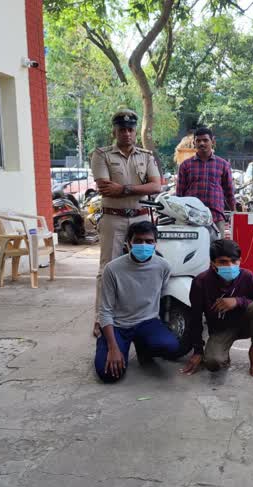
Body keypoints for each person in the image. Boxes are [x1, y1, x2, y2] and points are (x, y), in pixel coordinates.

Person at [90, 109, 161, 337]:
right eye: (122, 129)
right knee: (108, 268)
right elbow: (104, 187)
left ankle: (145, 316)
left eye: (130, 129)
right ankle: (101, 319)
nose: (127, 134)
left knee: (145, 266)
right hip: (113, 217)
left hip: (140, 217)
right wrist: (138, 188)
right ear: (115, 130)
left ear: (135, 131)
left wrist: (124, 188)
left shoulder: (146, 156)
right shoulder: (101, 154)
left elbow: (156, 186)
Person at [94, 221, 184, 383]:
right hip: (118, 325)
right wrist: (113, 349)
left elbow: (161, 294)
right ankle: (109, 343)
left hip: (146, 322)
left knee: (170, 346)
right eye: (138, 241)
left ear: (156, 244)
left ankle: (143, 346)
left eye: (149, 241)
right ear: (128, 243)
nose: (144, 245)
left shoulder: (163, 266)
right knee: (108, 374)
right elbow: (105, 310)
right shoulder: (112, 269)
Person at [180, 240, 253, 377]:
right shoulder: (200, 282)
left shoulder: (247, 276)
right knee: (213, 363)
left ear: (240, 260)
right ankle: (223, 355)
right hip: (221, 329)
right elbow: (195, 318)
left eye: (234, 261)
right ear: (212, 263)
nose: (230, 265)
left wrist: (238, 301)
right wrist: (198, 351)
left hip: (246, 324)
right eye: (223, 262)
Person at [176, 127, 235, 238]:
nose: (202, 143)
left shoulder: (223, 165)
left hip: (216, 217)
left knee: (218, 250)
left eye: (205, 140)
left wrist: (235, 213)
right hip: (192, 218)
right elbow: (179, 195)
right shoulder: (185, 165)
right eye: (198, 141)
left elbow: (229, 192)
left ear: (212, 141)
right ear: (194, 143)